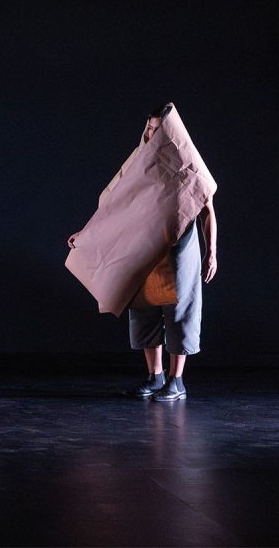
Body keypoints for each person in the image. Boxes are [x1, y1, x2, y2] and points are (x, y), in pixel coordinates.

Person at [66, 103, 217, 402]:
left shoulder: (189, 165)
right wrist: (87, 234)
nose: (152, 134)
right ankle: (154, 376)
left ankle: (176, 381)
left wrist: (211, 251)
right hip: (145, 250)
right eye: (149, 128)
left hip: (177, 250)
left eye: (158, 130)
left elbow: (207, 210)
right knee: (144, 311)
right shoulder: (139, 163)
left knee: (180, 313)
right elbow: (116, 206)